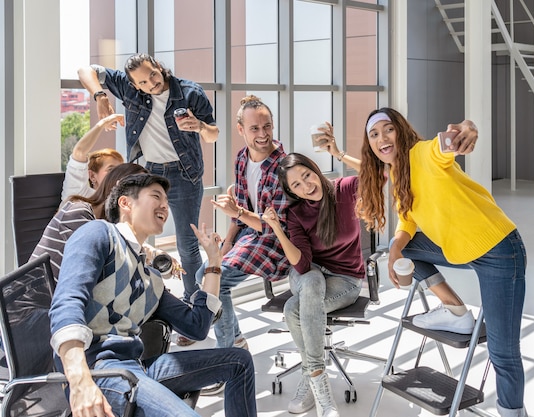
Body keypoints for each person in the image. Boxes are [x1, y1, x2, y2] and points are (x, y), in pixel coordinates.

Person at [357, 108, 527, 417]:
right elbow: (407, 218)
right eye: (374, 134)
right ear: (369, 145)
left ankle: (513, 412)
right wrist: (396, 246)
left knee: (503, 351)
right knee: (405, 249)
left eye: (388, 130)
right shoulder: (397, 172)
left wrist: (465, 130)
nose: (382, 138)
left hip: (500, 251)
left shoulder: (423, 153)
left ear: (401, 131)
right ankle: (455, 310)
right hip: (459, 249)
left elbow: (446, 143)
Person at [49, 173, 257, 417]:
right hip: (101, 370)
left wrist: (214, 262)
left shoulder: (150, 279)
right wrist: (79, 381)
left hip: (136, 367)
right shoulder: (98, 234)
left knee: (239, 361)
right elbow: (66, 304)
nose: (165, 205)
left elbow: (197, 326)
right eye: (156, 196)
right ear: (125, 203)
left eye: (167, 201)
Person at [77, 53, 219, 307]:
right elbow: (85, 70)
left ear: (158, 67)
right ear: (134, 85)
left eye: (152, 74)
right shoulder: (129, 89)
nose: (150, 84)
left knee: (186, 244)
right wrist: (100, 96)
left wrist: (199, 126)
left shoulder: (189, 92)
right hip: (150, 173)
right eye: (142, 82)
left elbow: (213, 134)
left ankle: (192, 302)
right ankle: (141, 301)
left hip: (185, 174)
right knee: (134, 236)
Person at [262, 152, 364, 417]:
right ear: (291, 191)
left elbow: (379, 173)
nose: (306, 186)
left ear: (315, 169)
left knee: (292, 310)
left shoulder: (346, 189)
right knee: (313, 280)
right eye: (296, 185)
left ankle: (311, 378)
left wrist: (341, 154)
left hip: (346, 279)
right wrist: (277, 228)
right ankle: (323, 393)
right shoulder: (297, 213)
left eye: (307, 175)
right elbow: (303, 265)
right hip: (308, 274)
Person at [196, 94, 290, 355]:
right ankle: (235, 339)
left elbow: (274, 226)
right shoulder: (241, 158)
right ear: (241, 130)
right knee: (204, 274)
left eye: (267, 126)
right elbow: (240, 213)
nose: (263, 134)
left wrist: (237, 211)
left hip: (277, 241)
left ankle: (226, 356)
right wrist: (226, 244)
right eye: (255, 128)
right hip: (251, 234)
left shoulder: (284, 166)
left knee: (218, 281)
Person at [30, 162, 149, 280]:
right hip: (37, 297)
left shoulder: (109, 230)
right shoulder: (78, 212)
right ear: (117, 187)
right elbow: (107, 271)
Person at [61, 113, 125, 201]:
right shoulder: (80, 194)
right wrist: (103, 123)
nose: (118, 174)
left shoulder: (120, 201)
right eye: (110, 169)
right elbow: (79, 152)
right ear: (92, 176)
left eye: (121, 170)